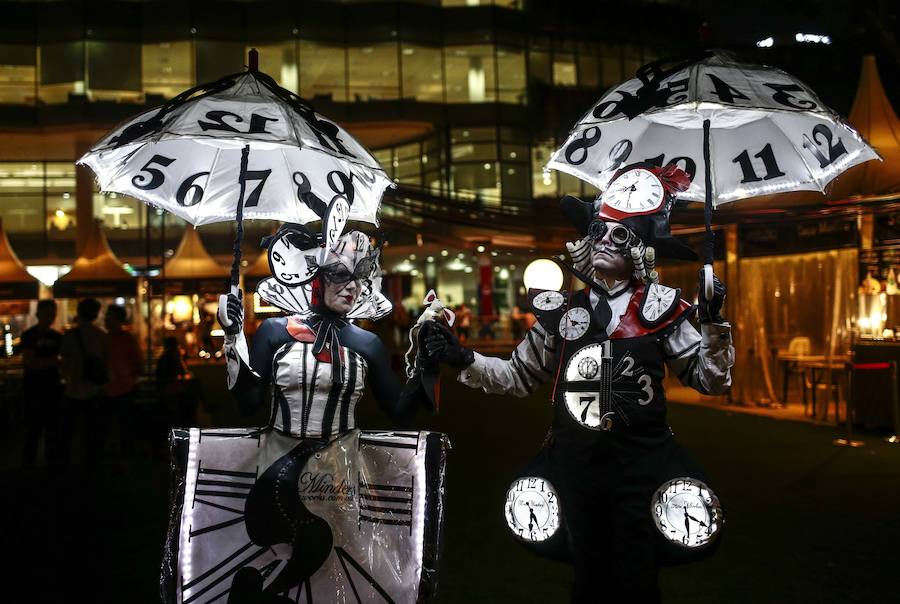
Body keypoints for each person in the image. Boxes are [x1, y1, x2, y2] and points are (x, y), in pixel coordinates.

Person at [423, 163, 735, 603]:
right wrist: (462, 357)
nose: (606, 240)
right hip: (574, 468)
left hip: (643, 469)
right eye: (600, 229)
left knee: (637, 581)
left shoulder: (666, 310)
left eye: (621, 234)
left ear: (644, 249)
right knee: (587, 581)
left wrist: (713, 323)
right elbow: (518, 376)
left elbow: (711, 380)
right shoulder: (561, 311)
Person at [161, 226, 446, 603]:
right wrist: (232, 336)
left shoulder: (367, 344)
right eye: (341, 274)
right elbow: (246, 405)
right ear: (314, 274)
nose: (352, 287)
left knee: (333, 583)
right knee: (311, 544)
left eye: (360, 277)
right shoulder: (274, 333)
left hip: (340, 486)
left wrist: (429, 357)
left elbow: (401, 413)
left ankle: (258, 590)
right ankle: (262, 590)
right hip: (278, 476)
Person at [59, 298, 110, 467]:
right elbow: (106, 361)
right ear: (95, 315)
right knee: (93, 430)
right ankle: (92, 463)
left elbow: (63, 361)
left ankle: (69, 462)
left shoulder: (69, 336)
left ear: (78, 313)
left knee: (69, 430)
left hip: (72, 389)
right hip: (95, 389)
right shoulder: (101, 335)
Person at [19, 299, 63, 468]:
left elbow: (36, 362)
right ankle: (29, 466)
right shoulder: (29, 335)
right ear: (38, 314)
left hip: (52, 388)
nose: (50, 316)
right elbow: (31, 362)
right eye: (47, 313)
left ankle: (50, 465)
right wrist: (54, 362)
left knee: (52, 430)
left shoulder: (57, 336)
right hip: (34, 389)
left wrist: (48, 362)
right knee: (33, 430)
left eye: (53, 313)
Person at [104, 304, 142, 457]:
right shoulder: (110, 339)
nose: (106, 320)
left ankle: (122, 454)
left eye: (109, 317)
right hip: (117, 389)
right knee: (120, 425)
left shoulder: (125, 339)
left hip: (122, 389)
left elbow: (137, 365)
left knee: (121, 425)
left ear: (118, 320)